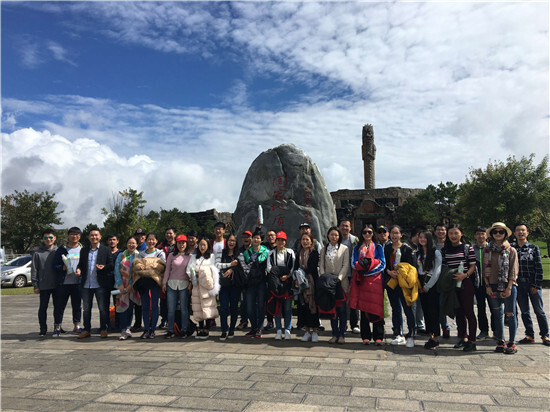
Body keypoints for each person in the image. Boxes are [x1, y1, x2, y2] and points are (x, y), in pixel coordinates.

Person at [483, 222, 519, 354]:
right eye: (495, 232)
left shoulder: (511, 250)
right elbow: (484, 270)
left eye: (501, 232)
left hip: (508, 285)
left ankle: (512, 342)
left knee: (510, 314)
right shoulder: (488, 250)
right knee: (497, 313)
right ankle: (501, 340)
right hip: (492, 285)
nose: (498, 234)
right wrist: (487, 286)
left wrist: (509, 287)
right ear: (491, 234)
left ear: (505, 234)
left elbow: (513, 271)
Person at [513, 223, 550, 346]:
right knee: (524, 311)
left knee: (539, 311)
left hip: (532, 282)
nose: (521, 232)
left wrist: (536, 285)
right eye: (518, 230)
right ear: (515, 233)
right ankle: (529, 335)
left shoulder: (534, 248)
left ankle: (545, 335)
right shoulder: (512, 249)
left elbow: (539, 268)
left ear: (527, 233)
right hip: (519, 284)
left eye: (523, 230)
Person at [444, 223, 478, 352]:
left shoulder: (467, 248)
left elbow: (473, 266)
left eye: (456, 233)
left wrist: (465, 275)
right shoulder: (445, 250)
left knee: (469, 312)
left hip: (466, 282)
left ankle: (472, 341)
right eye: (451, 233)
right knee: (458, 312)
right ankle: (462, 337)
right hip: (452, 283)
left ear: (461, 234)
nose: (453, 236)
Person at [350, 224, 386, 345]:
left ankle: (378, 336)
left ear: (373, 234)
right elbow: (353, 263)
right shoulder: (357, 247)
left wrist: (369, 272)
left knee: (377, 307)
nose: (367, 234)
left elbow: (382, 263)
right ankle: (365, 336)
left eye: (369, 232)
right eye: (364, 232)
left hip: (375, 280)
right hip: (362, 280)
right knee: (363, 308)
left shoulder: (378, 247)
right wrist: (362, 271)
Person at [75, 227, 114, 339]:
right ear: (88, 237)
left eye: (96, 235)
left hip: (100, 284)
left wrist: (104, 267)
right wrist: (79, 269)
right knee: (86, 309)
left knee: (103, 308)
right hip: (86, 284)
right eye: (92, 235)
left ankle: (103, 329)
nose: (94, 237)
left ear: (100, 237)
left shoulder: (105, 249)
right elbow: (81, 264)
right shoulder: (84, 250)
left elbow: (111, 265)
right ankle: (86, 330)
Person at [384, 225, 416, 347]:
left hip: (403, 283)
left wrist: (401, 273)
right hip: (391, 282)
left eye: (397, 233)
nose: (394, 235)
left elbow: (411, 267)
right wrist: (389, 272)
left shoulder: (406, 249)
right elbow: (384, 264)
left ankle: (411, 332)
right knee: (395, 308)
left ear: (401, 235)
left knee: (407, 308)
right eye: (392, 233)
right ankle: (398, 332)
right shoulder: (387, 248)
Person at [320, 227, 351, 343]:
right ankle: (334, 334)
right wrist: (324, 277)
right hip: (328, 284)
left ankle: (342, 334)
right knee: (332, 309)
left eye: (336, 235)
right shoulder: (324, 249)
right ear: (328, 236)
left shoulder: (344, 249)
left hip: (340, 282)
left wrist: (339, 278)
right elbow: (321, 265)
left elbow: (346, 265)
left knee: (342, 310)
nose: (334, 237)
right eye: (332, 235)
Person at [133, 233, 166, 339]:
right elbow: (136, 265)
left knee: (155, 305)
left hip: (155, 282)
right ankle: (146, 328)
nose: (151, 241)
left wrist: (147, 266)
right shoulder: (141, 254)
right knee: (145, 306)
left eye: (153, 239)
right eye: (149, 240)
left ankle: (153, 329)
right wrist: (146, 266)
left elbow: (162, 267)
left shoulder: (160, 253)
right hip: (143, 282)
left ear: (156, 241)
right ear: (146, 241)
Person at [52, 226, 82, 336]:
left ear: (80, 236)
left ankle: (77, 325)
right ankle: (57, 326)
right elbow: (54, 265)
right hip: (63, 283)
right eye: (72, 234)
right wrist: (62, 268)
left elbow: (85, 264)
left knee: (77, 306)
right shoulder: (61, 249)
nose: (74, 236)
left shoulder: (83, 249)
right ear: (68, 236)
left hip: (77, 283)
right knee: (59, 306)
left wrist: (81, 270)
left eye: (77, 234)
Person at [187, 238, 220, 339]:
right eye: (200, 245)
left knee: (207, 306)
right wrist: (194, 274)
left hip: (207, 285)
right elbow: (189, 269)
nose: (202, 247)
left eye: (204, 245)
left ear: (208, 246)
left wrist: (200, 272)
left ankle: (207, 328)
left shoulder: (212, 257)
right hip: (196, 285)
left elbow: (213, 270)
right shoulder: (194, 257)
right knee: (198, 307)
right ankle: (200, 328)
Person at [239, 229, 269, 338]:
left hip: (261, 282)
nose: (256, 239)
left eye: (258, 238)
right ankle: (253, 327)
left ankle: (259, 328)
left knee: (261, 305)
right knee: (250, 307)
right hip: (250, 282)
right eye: (254, 238)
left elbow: (268, 264)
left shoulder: (266, 251)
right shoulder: (246, 253)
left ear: (261, 240)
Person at [266, 231, 295, 340]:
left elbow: (293, 267)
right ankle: (278, 329)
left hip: (287, 282)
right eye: (278, 240)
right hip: (275, 283)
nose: (280, 242)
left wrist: (287, 276)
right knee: (277, 307)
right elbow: (269, 268)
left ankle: (287, 329)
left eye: (282, 240)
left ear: (285, 241)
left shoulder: (290, 252)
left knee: (287, 307)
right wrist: (277, 276)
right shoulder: (271, 253)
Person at [162, 234, 192, 339]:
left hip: (184, 284)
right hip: (171, 284)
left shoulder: (190, 256)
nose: (181, 245)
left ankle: (184, 329)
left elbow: (191, 271)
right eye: (179, 243)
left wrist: (190, 283)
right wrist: (164, 283)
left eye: (183, 243)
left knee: (184, 308)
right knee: (171, 309)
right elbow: (167, 270)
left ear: (186, 244)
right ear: (176, 244)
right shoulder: (171, 255)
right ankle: (170, 330)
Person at [417, 231, 443, 349]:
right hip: (421, 283)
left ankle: (435, 337)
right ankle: (431, 336)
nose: (422, 239)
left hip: (432, 285)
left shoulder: (435, 252)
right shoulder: (419, 253)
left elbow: (437, 271)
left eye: (424, 237)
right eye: (420, 237)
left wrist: (428, 286)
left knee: (433, 312)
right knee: (426, 311)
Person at [31, 228, 59, 337]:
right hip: (43, 285)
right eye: (46, 237)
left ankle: (58, 326)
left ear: (55, 238)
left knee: (58, 308)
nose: (48, 239)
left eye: (51, 237)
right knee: (43, 307)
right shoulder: (37, 253)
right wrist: (35, 285)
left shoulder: (58, 251)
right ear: (43, 239)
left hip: (57, 285)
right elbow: (34, 270)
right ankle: (43, 328)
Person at [296, 232, 321, 342]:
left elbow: (312, 267)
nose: (305, 242)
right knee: (304, 307)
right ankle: (307, 331)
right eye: (303, 239)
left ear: (311, 241)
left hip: (311, 283)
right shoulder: (299, 253)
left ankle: (315, 331)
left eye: (307, 239)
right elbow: (296, 266)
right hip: (301, 284)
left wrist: (302, 272)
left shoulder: (314, 253)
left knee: (313, 306)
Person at [216, 234, 241, 340]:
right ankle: (223, 329)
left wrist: (232, 269)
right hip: (223, 285)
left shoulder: (239, 254)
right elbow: (217, 265)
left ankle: (231, 329)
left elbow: (242, 267)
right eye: (230, 240)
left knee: (234, 308)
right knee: (223, 308)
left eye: (234, 241)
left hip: (235, 285)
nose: (232, 242)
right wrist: (230, 265)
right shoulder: (221, 252)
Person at [114, 236, 140, 340]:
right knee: (122, 307)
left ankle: (128, 328)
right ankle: (123, 329)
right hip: (121, 285)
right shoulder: (121, 255)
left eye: (133, 243)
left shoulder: (139, 255)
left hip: (133, 285)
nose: (131, 245)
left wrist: (130, 284)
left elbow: (137, 272)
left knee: (130, 308)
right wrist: (120, 284)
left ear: (137, 244)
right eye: (129, 243)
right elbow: (116, 270)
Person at [339, 219, 360, 334]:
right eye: (343, 226)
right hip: (340, 275)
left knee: (353, 299)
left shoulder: (354, 240)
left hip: (352, 274)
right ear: (339, 227)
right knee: (341, 300)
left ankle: (354, 324)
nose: (345, 228)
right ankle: (343, 324)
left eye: (347, 226)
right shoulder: (337, 239)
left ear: (350, 228)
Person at [473, 226, 493, 340]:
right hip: (478, 284)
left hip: (491, 283)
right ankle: (484, 330)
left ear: (487, 235)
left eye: (483, 234)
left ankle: (496, 330)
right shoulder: (472, 249)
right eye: (478, 234)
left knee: (494, 308)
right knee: (481, 308)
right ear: (475, 236)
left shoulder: (491, 248)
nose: (480, 236)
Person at [156, 227, 177, 329]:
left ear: (175, 234)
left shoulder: (178, 245)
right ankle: (164, 319)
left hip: (175, 274)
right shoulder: (160, 246)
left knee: (174, 299)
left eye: (170, 233)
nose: (168, 235)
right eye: (167, 233)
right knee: (163, 299)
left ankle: (173, 320)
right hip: (163, 274)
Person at [408, 226, 426, 334]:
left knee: (420, 303)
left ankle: (420, 324)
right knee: (413, 303)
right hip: (410, 279)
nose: (422, 239)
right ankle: (413, 325)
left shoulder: (421, 247)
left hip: (421, 279)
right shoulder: (406, 247)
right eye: (420, 236)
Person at [433, 222, 450, 338]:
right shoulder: (432, 245)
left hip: (448, 276)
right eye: (438, 230)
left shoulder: (450, 244)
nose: (440, 232)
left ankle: (446, 327)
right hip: (435, 277)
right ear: (435, 232)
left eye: (443, 230)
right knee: (439, 304)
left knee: (446, 303)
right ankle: (444, 327)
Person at [236, 230, 253, 331]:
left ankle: (255, 322)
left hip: (254, 280)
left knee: (254, 302)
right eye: (244, 237)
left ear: (251, 239)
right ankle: (244, 321)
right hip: (242, 281)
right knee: (243, 302)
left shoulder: (255, 250)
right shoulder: (239, 251)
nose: (246, 239)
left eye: (248, 237)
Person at [106, 233, 122, 331]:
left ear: (117, 241)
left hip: (117, 283)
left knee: (118, 304)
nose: (112, 241)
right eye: (110, 240)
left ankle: (118, 325)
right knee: (104, 304)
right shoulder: (104, 252)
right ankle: (106, 325)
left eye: (114, 239)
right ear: (107, 242)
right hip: (105, 283)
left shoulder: (121, 253)